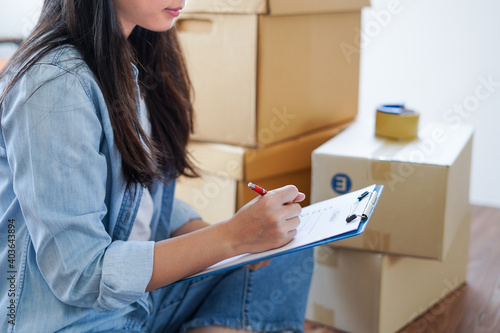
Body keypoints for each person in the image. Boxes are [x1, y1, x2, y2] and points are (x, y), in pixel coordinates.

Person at [0, 0, 314, 332]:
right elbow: (81, 274)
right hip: (79, 321)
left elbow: (134, 201)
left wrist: (243, 237)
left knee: (286, 252)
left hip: (132, 303)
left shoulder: (128, 55)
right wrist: (229, 238)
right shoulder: (57, 85)